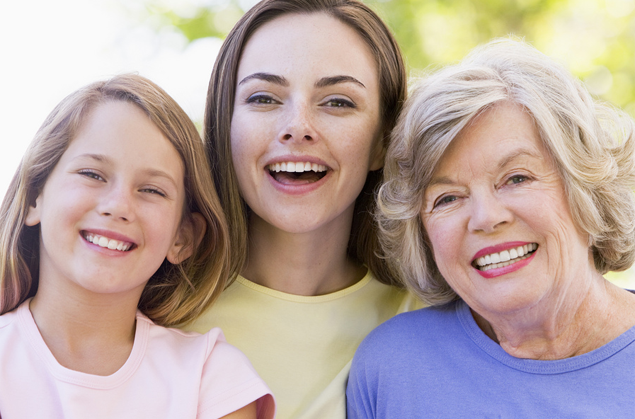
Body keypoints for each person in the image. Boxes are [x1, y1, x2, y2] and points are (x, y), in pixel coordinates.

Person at [347, 39, 635, 418]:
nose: (485, 217)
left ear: (584, 185)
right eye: (447, 198)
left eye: (516, 178)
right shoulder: (392, 368)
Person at [182, 1, 420, 418]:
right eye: (263, 98)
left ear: (384, 140)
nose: (298, 126)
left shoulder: (427, 318)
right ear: (226, 124)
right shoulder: (157, 311)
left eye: (338, 102)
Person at [0, 74, 274, 419]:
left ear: (183, 237)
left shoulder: (211, 377)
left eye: (152, 190)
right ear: (33, 198)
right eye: (92, 174)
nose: (118, 206)